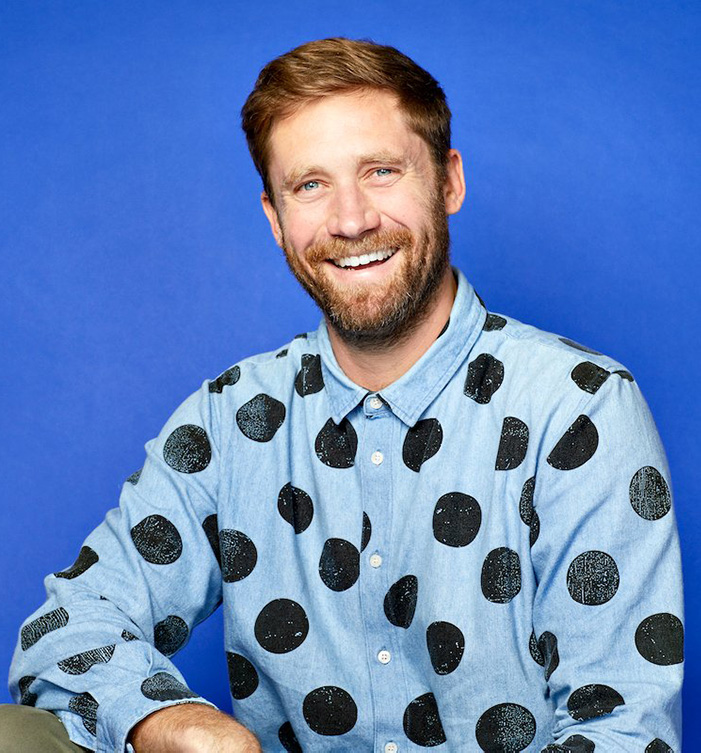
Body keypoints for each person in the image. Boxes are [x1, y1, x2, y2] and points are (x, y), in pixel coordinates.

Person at [3, 37, 683, 752]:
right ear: (275, 218)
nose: (351, 219)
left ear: (448, 182)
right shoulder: (230, 420)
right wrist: (172, 723)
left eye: (381, 171)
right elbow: (64, 628)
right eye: (310, 185)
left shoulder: (578, 407)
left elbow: (623, 727)